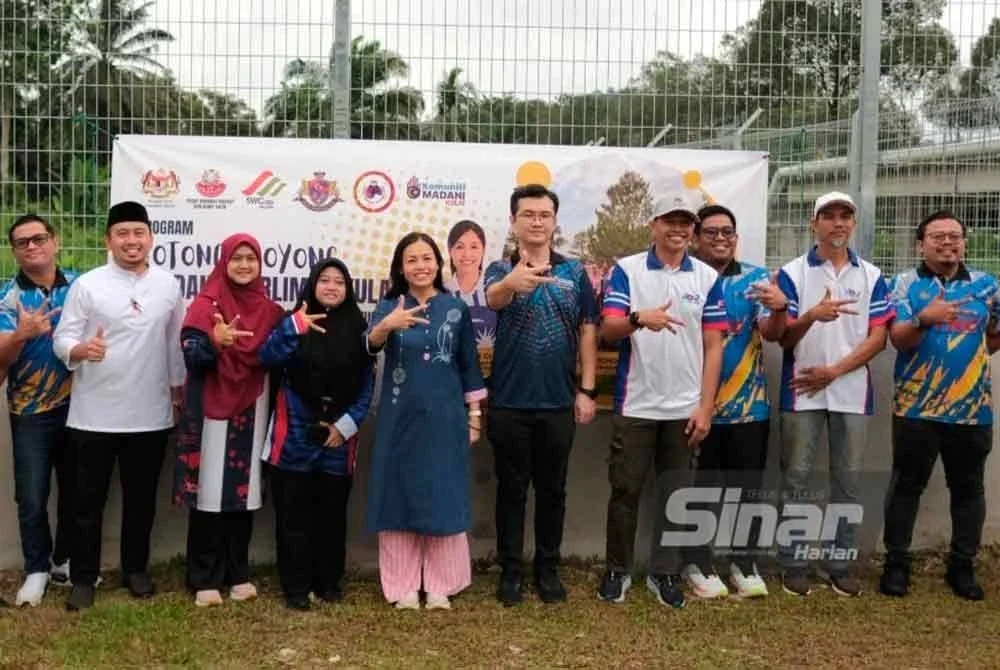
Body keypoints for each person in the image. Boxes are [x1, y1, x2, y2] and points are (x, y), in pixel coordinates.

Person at [52, 201, 186, 611]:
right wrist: (80, 349)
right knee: (86, 502)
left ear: (151, 238)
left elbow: (173, 343)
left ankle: (135, 569)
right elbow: (61, 339)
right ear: (108, 239)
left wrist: (177, 389)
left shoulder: (168, 285)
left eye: (139, 233)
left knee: (141, 499)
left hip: (150, 413)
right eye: (123, 233)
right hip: (93, 415)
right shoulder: (88, 285)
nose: (132, 241)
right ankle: (84, 577)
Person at [595, 194, 726, 609]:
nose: (678, 229)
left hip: (685, 409)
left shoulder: (706, 277)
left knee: (676, 494)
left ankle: (665, 573)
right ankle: (617, 570)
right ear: (654, 225)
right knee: (625, 492)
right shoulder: (627, 271)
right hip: (636, 404)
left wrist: (705, 406)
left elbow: (714, 344)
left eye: (685, 222)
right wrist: (639, 319)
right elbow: (609, 330)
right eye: (670, 221)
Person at [484, 184, 598, 606]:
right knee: (510, 491)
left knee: (554, 491)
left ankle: (547, 569)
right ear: (514, 221)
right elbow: (493, 300)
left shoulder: (574, 273)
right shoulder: (499, 270)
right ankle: (510, 570)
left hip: (557, 403)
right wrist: (513, 281)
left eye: (544, 214)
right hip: (509, 404)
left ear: (554, 221)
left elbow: (589, 330)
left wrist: (587, 390)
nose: (536, 221)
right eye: (528, 214)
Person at [774, 191, 893, 597]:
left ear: (853, 224)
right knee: (797, 481)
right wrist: (811, 315)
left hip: (852, 394)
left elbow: (880, 338)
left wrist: (835, 372)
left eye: (845, 216)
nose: (838, 223)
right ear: (814, 223)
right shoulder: (792, 273)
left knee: (848, 483)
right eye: (829, 216)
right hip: (801, 393)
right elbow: (782, 337)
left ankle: (839, 564)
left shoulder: (874, 276)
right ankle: (793, 564)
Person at [880, 210, 1000, 601]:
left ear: (964, 242)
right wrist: (924, 319)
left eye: (955, 236)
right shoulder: (902, 284)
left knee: (968, 489)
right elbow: (898, 339)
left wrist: (969, 363)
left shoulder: (987, 285)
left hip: (972, 410)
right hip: (915, 409)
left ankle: (962, 567)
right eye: (938, 237)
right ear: (921, 244)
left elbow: (994, 335)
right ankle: (897, 564)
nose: (947, 243)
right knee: (906, 487)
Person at [365, 232, 486, 610]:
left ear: (438, 262)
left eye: (426, 258)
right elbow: (368, 346)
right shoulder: (388, 306)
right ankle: (402, 585)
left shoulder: (455, 308)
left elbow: (469, 364)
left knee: (442, 493)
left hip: (446, 418)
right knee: (397, 493)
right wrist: (387, 326)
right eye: (411, 259)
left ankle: (440, 584)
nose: (420, 265)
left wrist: (476, 417)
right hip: (398, 418)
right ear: (401, 267)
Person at [683, 204, 789, 599]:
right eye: (711, 233)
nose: (721, 239)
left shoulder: (756, 279)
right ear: (695, 238)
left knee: (747, 490)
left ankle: (744, 563)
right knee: (700, 490)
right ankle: (696, 561)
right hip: (695, 406)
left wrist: (780, 307)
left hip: (749, 406)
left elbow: (773, 332)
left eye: (728, 232)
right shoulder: (686, 278)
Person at [173, 233, 284, 608]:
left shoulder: (270, 311)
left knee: (244, 491)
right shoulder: (206, 304)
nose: (243, 265)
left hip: (252, 407)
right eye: (236, 258)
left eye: (250, 259)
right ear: (223, 262)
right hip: (211, 408)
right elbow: (192, 356)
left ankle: (238, 572)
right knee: (209, 492)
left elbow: (282, 353)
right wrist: (213, 342)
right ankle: (204, 576)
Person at [260, 257, 375, 611]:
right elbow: (267, 357)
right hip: (294, 429)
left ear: (348, 289)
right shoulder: (293, 322)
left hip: (339, 436)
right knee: (293, 514)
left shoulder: (359, 328)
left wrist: (344, 426)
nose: (331, 287)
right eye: (324, 280)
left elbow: (368, 383)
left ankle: (328, 582)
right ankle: (295, 586)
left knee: (331, 513)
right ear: (312, 285)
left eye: (339, 282)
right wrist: (293, 327)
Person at [0, 214, 78, 606]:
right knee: (31, 494)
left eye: (39, 238)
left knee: (78, 489)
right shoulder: (7, 296)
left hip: (83, 407)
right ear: (14, 251)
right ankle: (36, 569)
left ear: (55, 242)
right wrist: (20, 334)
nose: (32, 246)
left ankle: (65, 560)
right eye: (22, 242)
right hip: (29, 410)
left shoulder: (83, 286)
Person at [444, 219, 497, 347]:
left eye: (474, 247)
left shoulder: (496, 290)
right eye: (460, 247)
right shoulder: (440, 293)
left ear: (483, 250)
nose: (467, 254)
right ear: (450, 251)